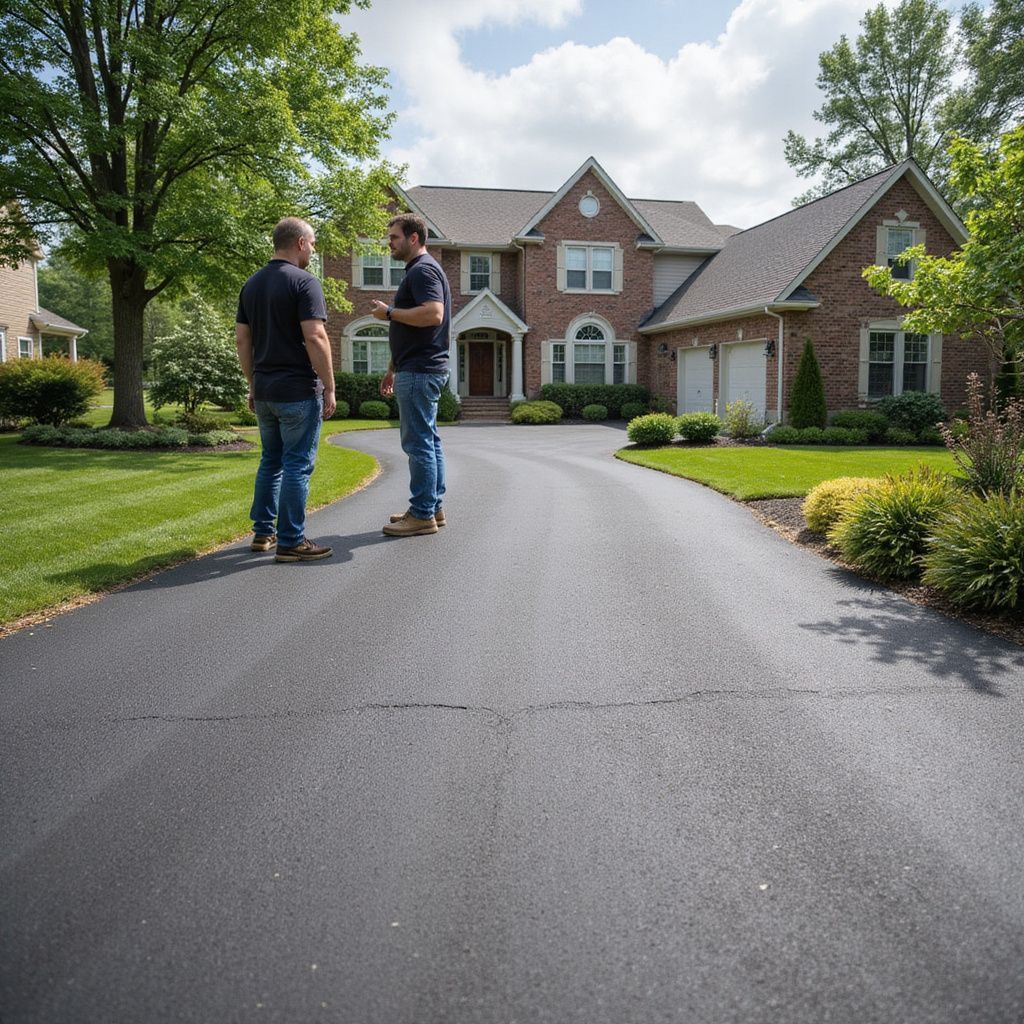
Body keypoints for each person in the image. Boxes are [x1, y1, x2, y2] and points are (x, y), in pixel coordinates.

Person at [236, 217, 336, 562]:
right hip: (296, 390)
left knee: (271, 461)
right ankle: (291, 541)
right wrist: (330, 387)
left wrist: (252, 383)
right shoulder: (305, 283)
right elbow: (315, 336)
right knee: (296, 465)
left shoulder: (250, 285)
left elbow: (242, 339)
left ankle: (263, 533)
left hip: (264, 389)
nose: (314, 249)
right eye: (313, 243)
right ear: (299, 243)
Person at [371, 213, 451, 537]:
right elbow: (411, 328)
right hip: (415, 368)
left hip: (420, 371)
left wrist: (388, 312)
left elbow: (433, 314)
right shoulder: (421, 270)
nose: (390, 243)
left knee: (418, 443)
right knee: (429, 441)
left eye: (394, 237)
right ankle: (432, 507)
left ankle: (421, 514)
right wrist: (392, 368)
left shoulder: (423, 270)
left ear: (413, 238)